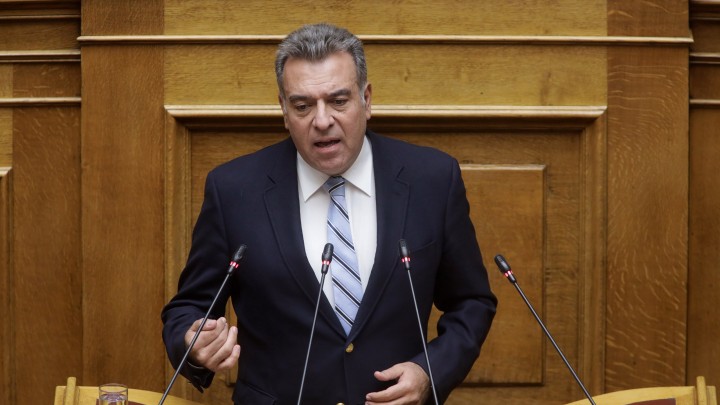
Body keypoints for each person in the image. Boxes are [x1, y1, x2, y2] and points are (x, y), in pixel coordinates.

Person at [162, 23, 497, 405]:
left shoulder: (432, 179)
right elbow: (189, 307)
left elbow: (472, 302)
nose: (322, 121)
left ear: (366, 100)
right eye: (303, 106)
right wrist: (193, 342)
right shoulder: (234, 190)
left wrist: (429, 373)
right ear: (284, 110)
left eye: (338, 101)